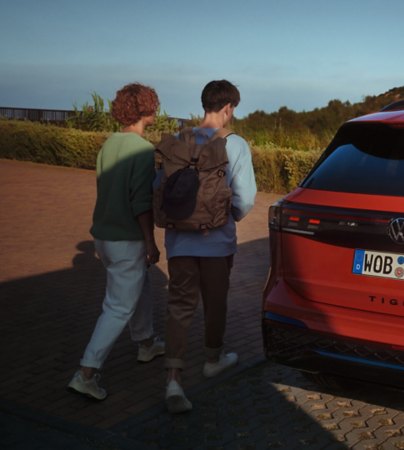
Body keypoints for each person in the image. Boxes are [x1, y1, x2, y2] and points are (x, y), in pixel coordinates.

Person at [161, 80, 257, 413]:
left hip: (178, 241)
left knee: (179, 305)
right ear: (228, 107)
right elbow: (245, 200)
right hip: (216, 241)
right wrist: (224, 218)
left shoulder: (177, 141)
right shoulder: (235, 144)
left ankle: (173, 379)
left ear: (204, 104)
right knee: (214, 303)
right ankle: (212, 360)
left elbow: (159, 188)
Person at [67, 83, 164, 401]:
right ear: (145, 110)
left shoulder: (109, 144)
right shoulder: (143, 149)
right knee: (118, 307)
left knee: (141, 287)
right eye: (153, 106)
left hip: (103, 237)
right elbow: (140, 202)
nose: (156, 111)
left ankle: (147, 343)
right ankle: (86, 373)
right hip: (127, 238)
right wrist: (150, 241)